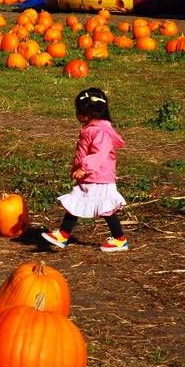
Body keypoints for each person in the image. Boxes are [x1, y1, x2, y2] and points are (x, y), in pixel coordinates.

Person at [42, 87, 128, 252]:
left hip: (98, 176)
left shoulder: (100, 131)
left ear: (89, 114)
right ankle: (64, 234)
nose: (76, 114)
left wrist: (84, 168)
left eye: (78, 111)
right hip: (92, 176)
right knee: (77, 204)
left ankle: (119, 239)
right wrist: (77, 168)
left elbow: (100, 154)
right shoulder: (92, 128)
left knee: (103, 209)